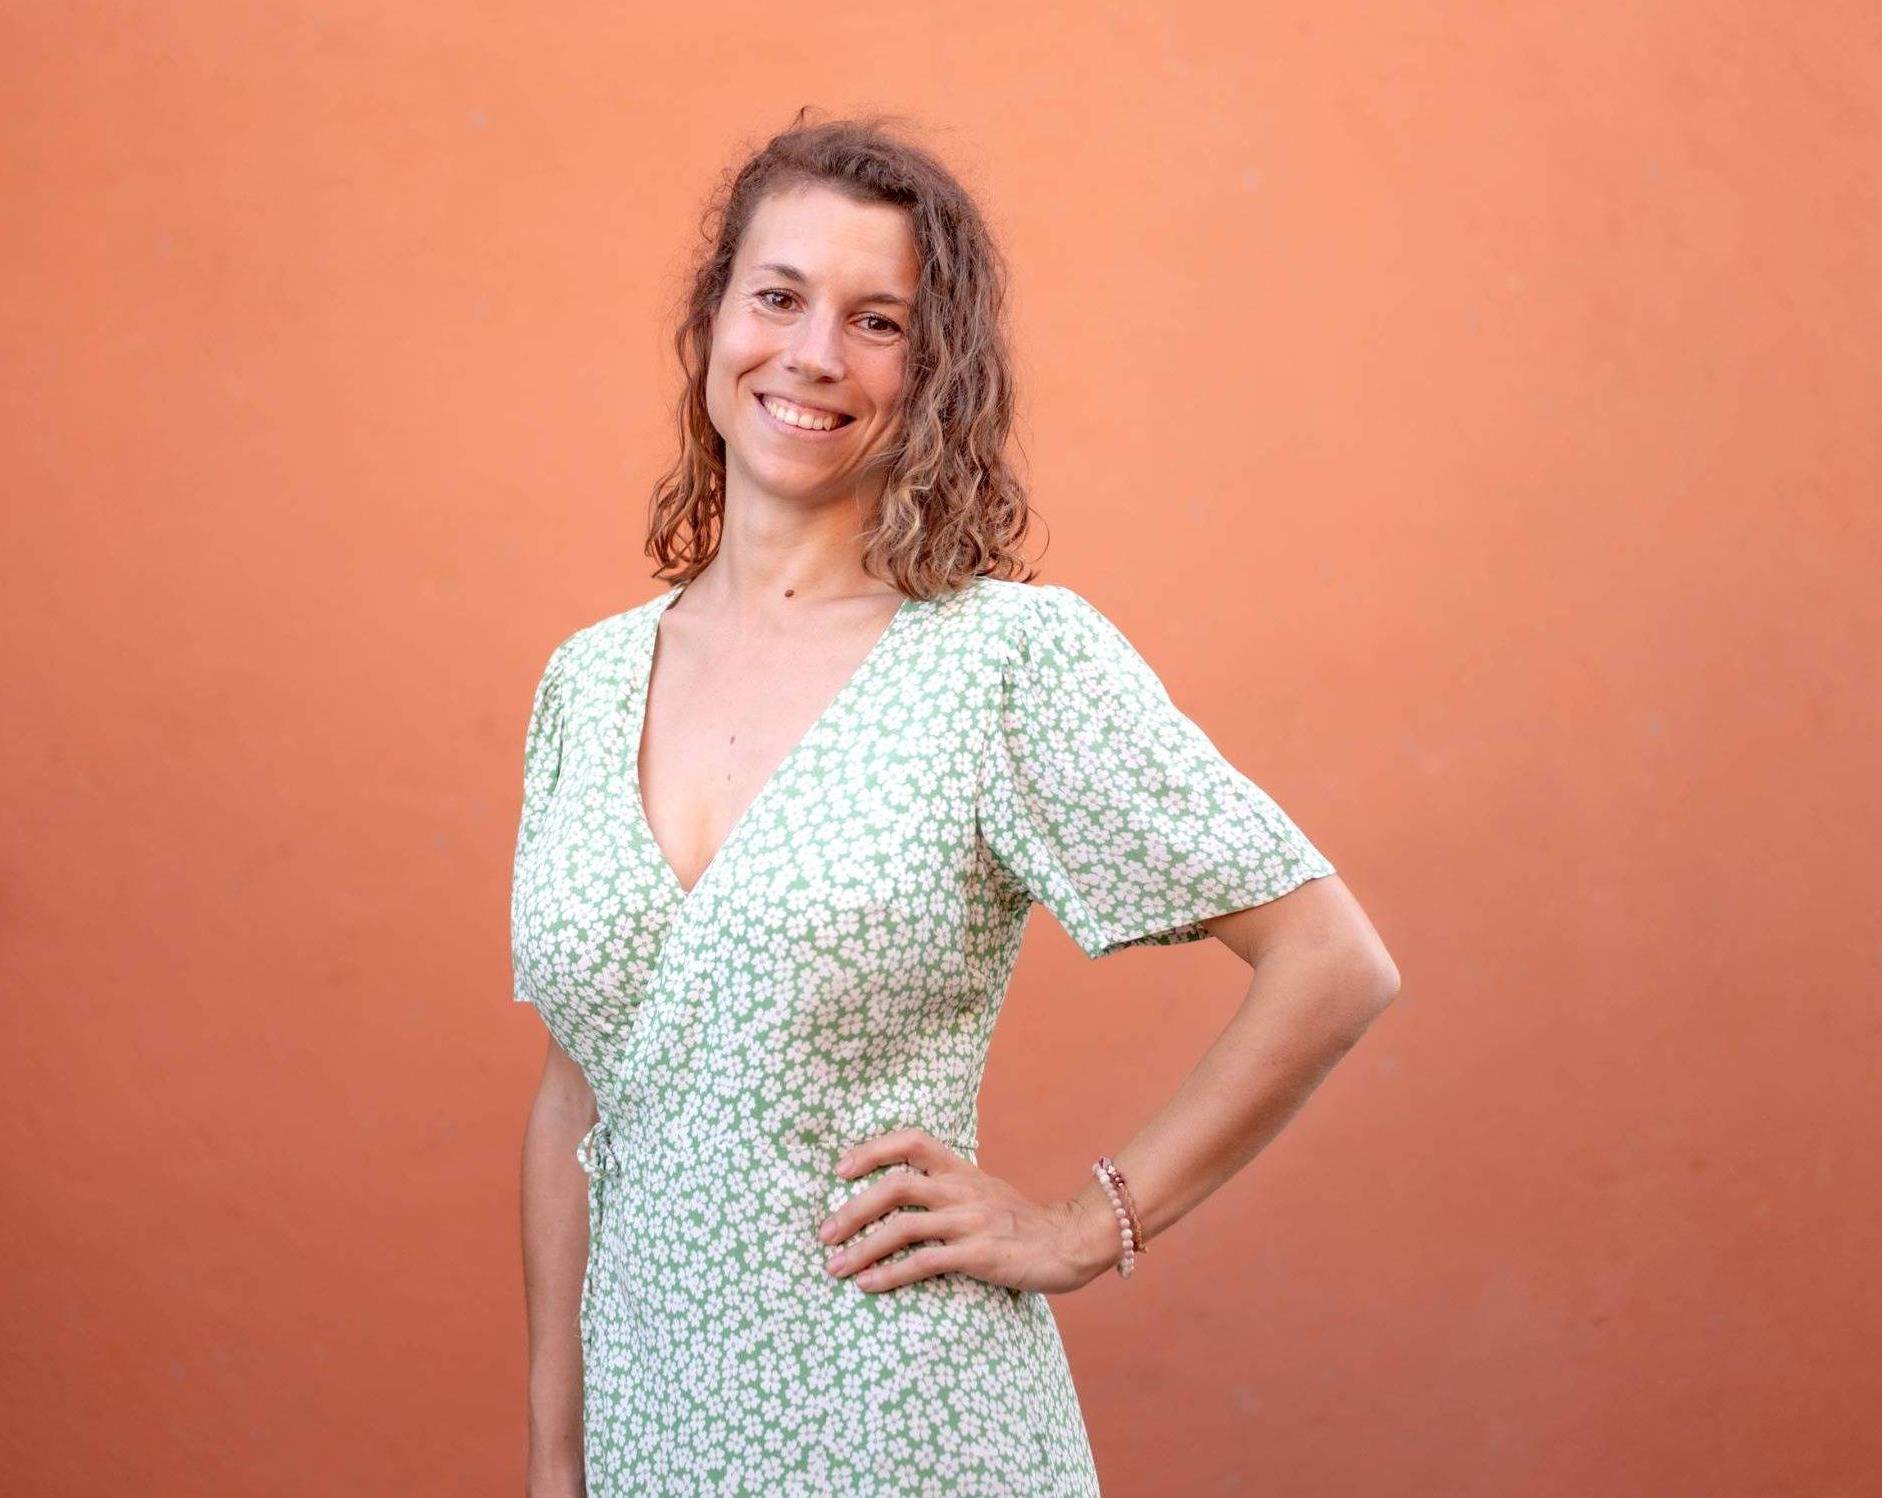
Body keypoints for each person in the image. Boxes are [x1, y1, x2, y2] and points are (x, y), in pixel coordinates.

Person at [511, 110, 1399, 1497]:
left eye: (878, 322)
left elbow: (1333, 963)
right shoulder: (587, 681)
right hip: (650, 1445)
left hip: (912, 1433)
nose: (814, 354)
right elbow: (583, 1085)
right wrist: (556, 1451)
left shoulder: (1003, 662)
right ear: (713, 319)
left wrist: (1086, 1225)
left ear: (934, 373)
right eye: (779, 297)